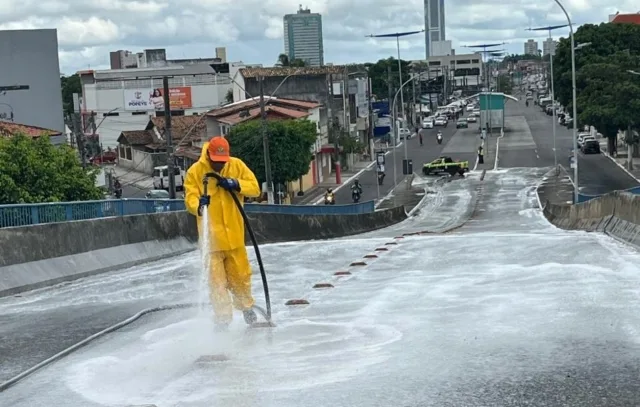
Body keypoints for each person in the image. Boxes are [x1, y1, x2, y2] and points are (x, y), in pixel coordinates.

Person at [184, 136, 262, 329]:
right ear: (209, 156)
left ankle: (246, 307)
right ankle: (223, 320)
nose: (219, 166)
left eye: (222, 162)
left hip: (235, 238)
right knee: (217, 284)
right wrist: (198, 206)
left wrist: (236, 184)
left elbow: (255, 188)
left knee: (241, 277)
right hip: (212, 243)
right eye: (216, 162)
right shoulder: (195, 172)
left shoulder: (236, 166)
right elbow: (190, 198)